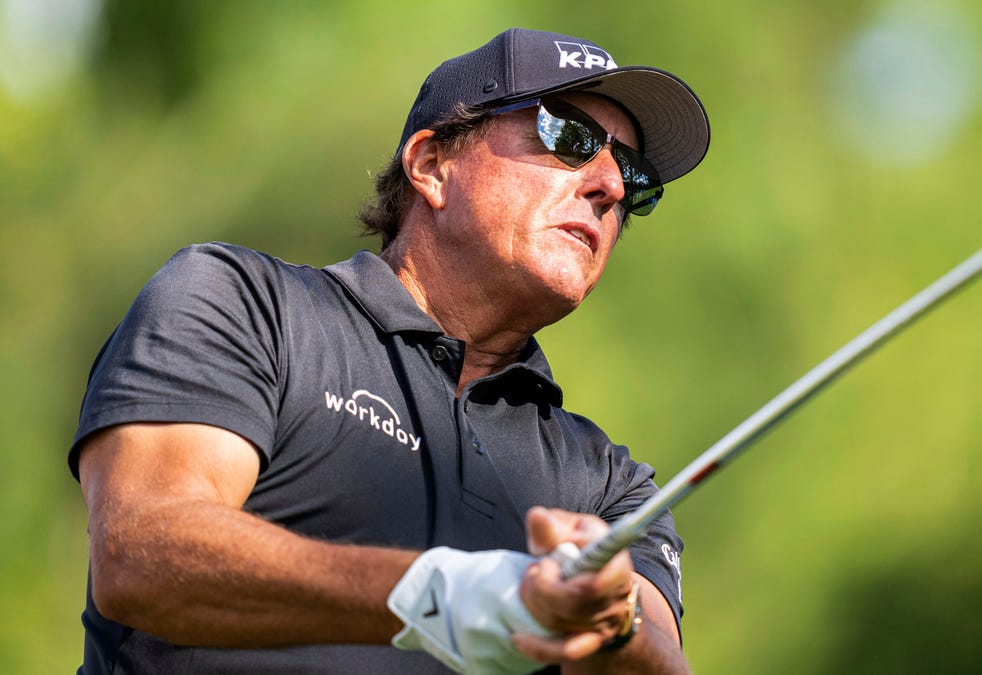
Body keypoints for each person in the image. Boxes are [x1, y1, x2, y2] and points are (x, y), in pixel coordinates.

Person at [69, 27, 709, 674]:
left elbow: (656, 654)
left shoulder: (610, 485)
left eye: (634, 174)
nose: (612, 187)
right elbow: (141, 553)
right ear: (431, 165)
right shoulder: (242, 304)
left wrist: (609, 620)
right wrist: (437, 593)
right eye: (568, 137)